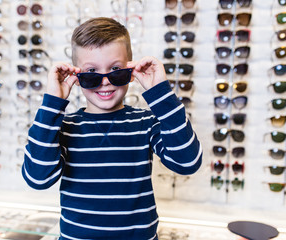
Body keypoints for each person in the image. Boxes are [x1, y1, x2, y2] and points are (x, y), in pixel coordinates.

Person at [22, 17, 202, 240]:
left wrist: (160, 93)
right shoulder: (66, 128)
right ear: (76, 77)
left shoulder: (146, 123)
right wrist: (51, 103)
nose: (105, 81)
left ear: (131, 69)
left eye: (116, 70)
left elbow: (188, 162)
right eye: (91, 73)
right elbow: (37, 178)